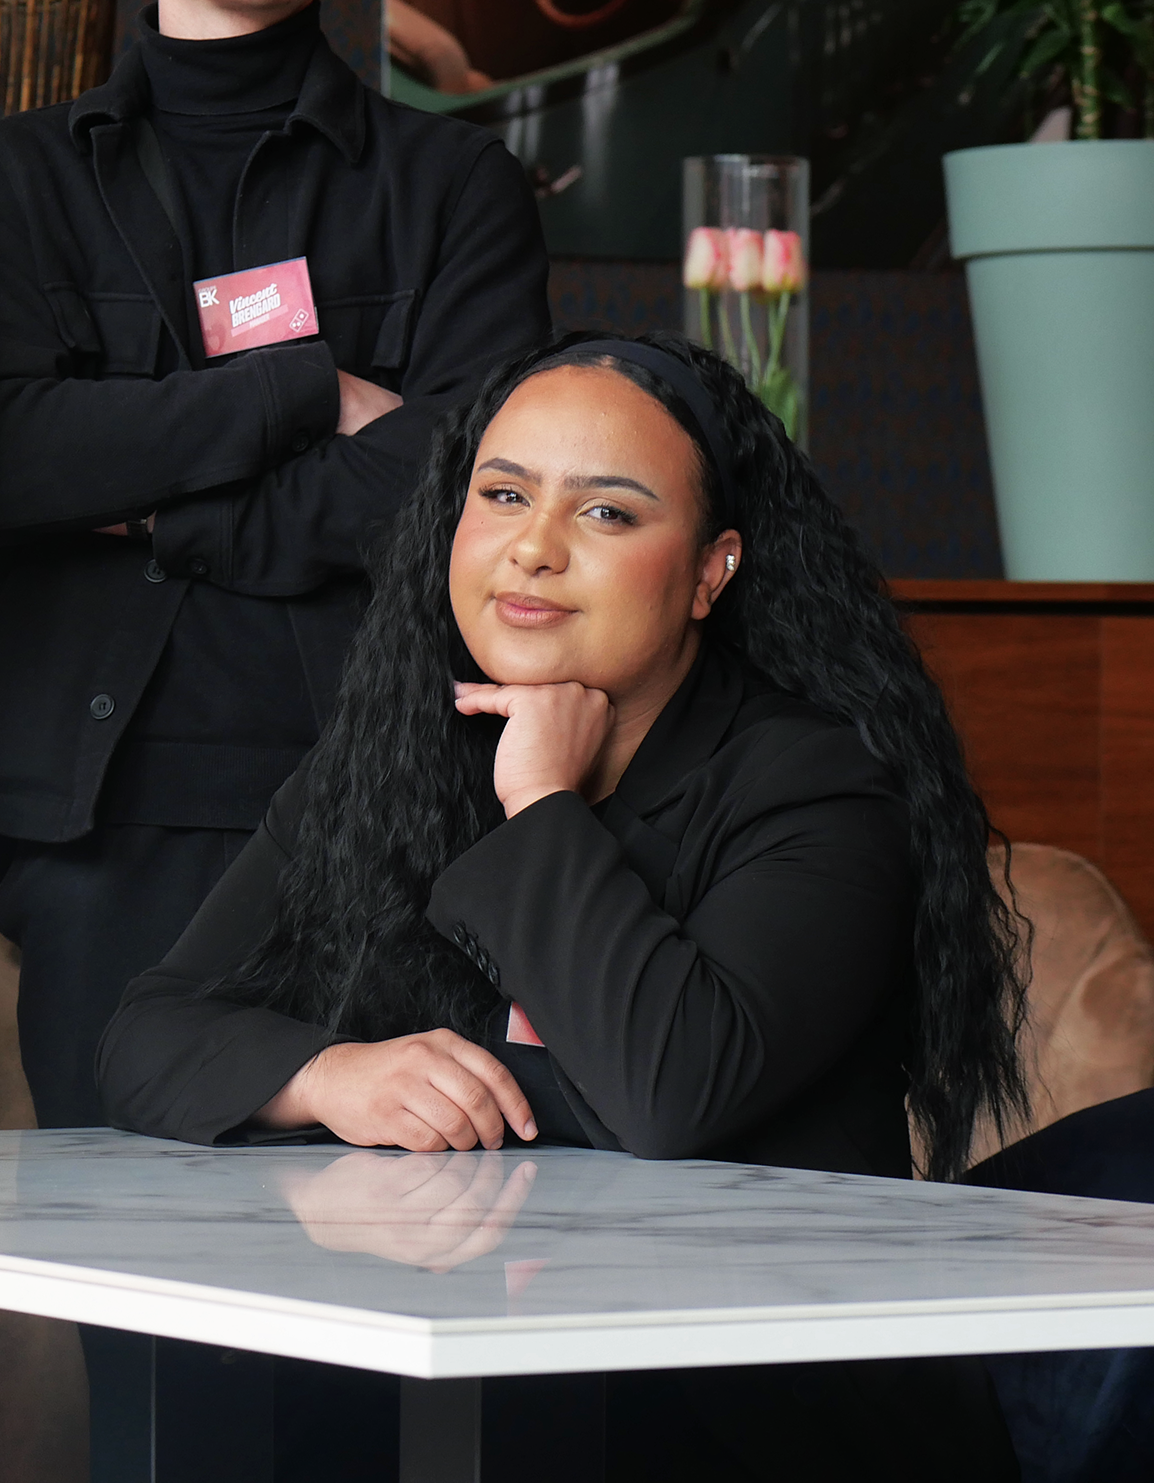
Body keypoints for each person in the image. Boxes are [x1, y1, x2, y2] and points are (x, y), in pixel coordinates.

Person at [99, 330, 1027, 1480]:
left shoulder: (820, 782)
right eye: (502, 495)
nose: (532, 549)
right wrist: (328, 1076)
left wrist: (541, 800)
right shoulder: (389, 754)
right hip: (459, 1398)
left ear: (710, 572)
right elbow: (150, 1030)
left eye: (608, 515)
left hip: (757, 1424)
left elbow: (674, 1087)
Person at [0, 0, 552, 1140]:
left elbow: (472, 492)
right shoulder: (20, 176)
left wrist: (164, 490)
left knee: (389, 1278)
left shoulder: (457, 190)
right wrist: (302, 394)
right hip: (95, 816)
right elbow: (15, 462)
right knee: (138, 1291)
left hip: (383, 800)